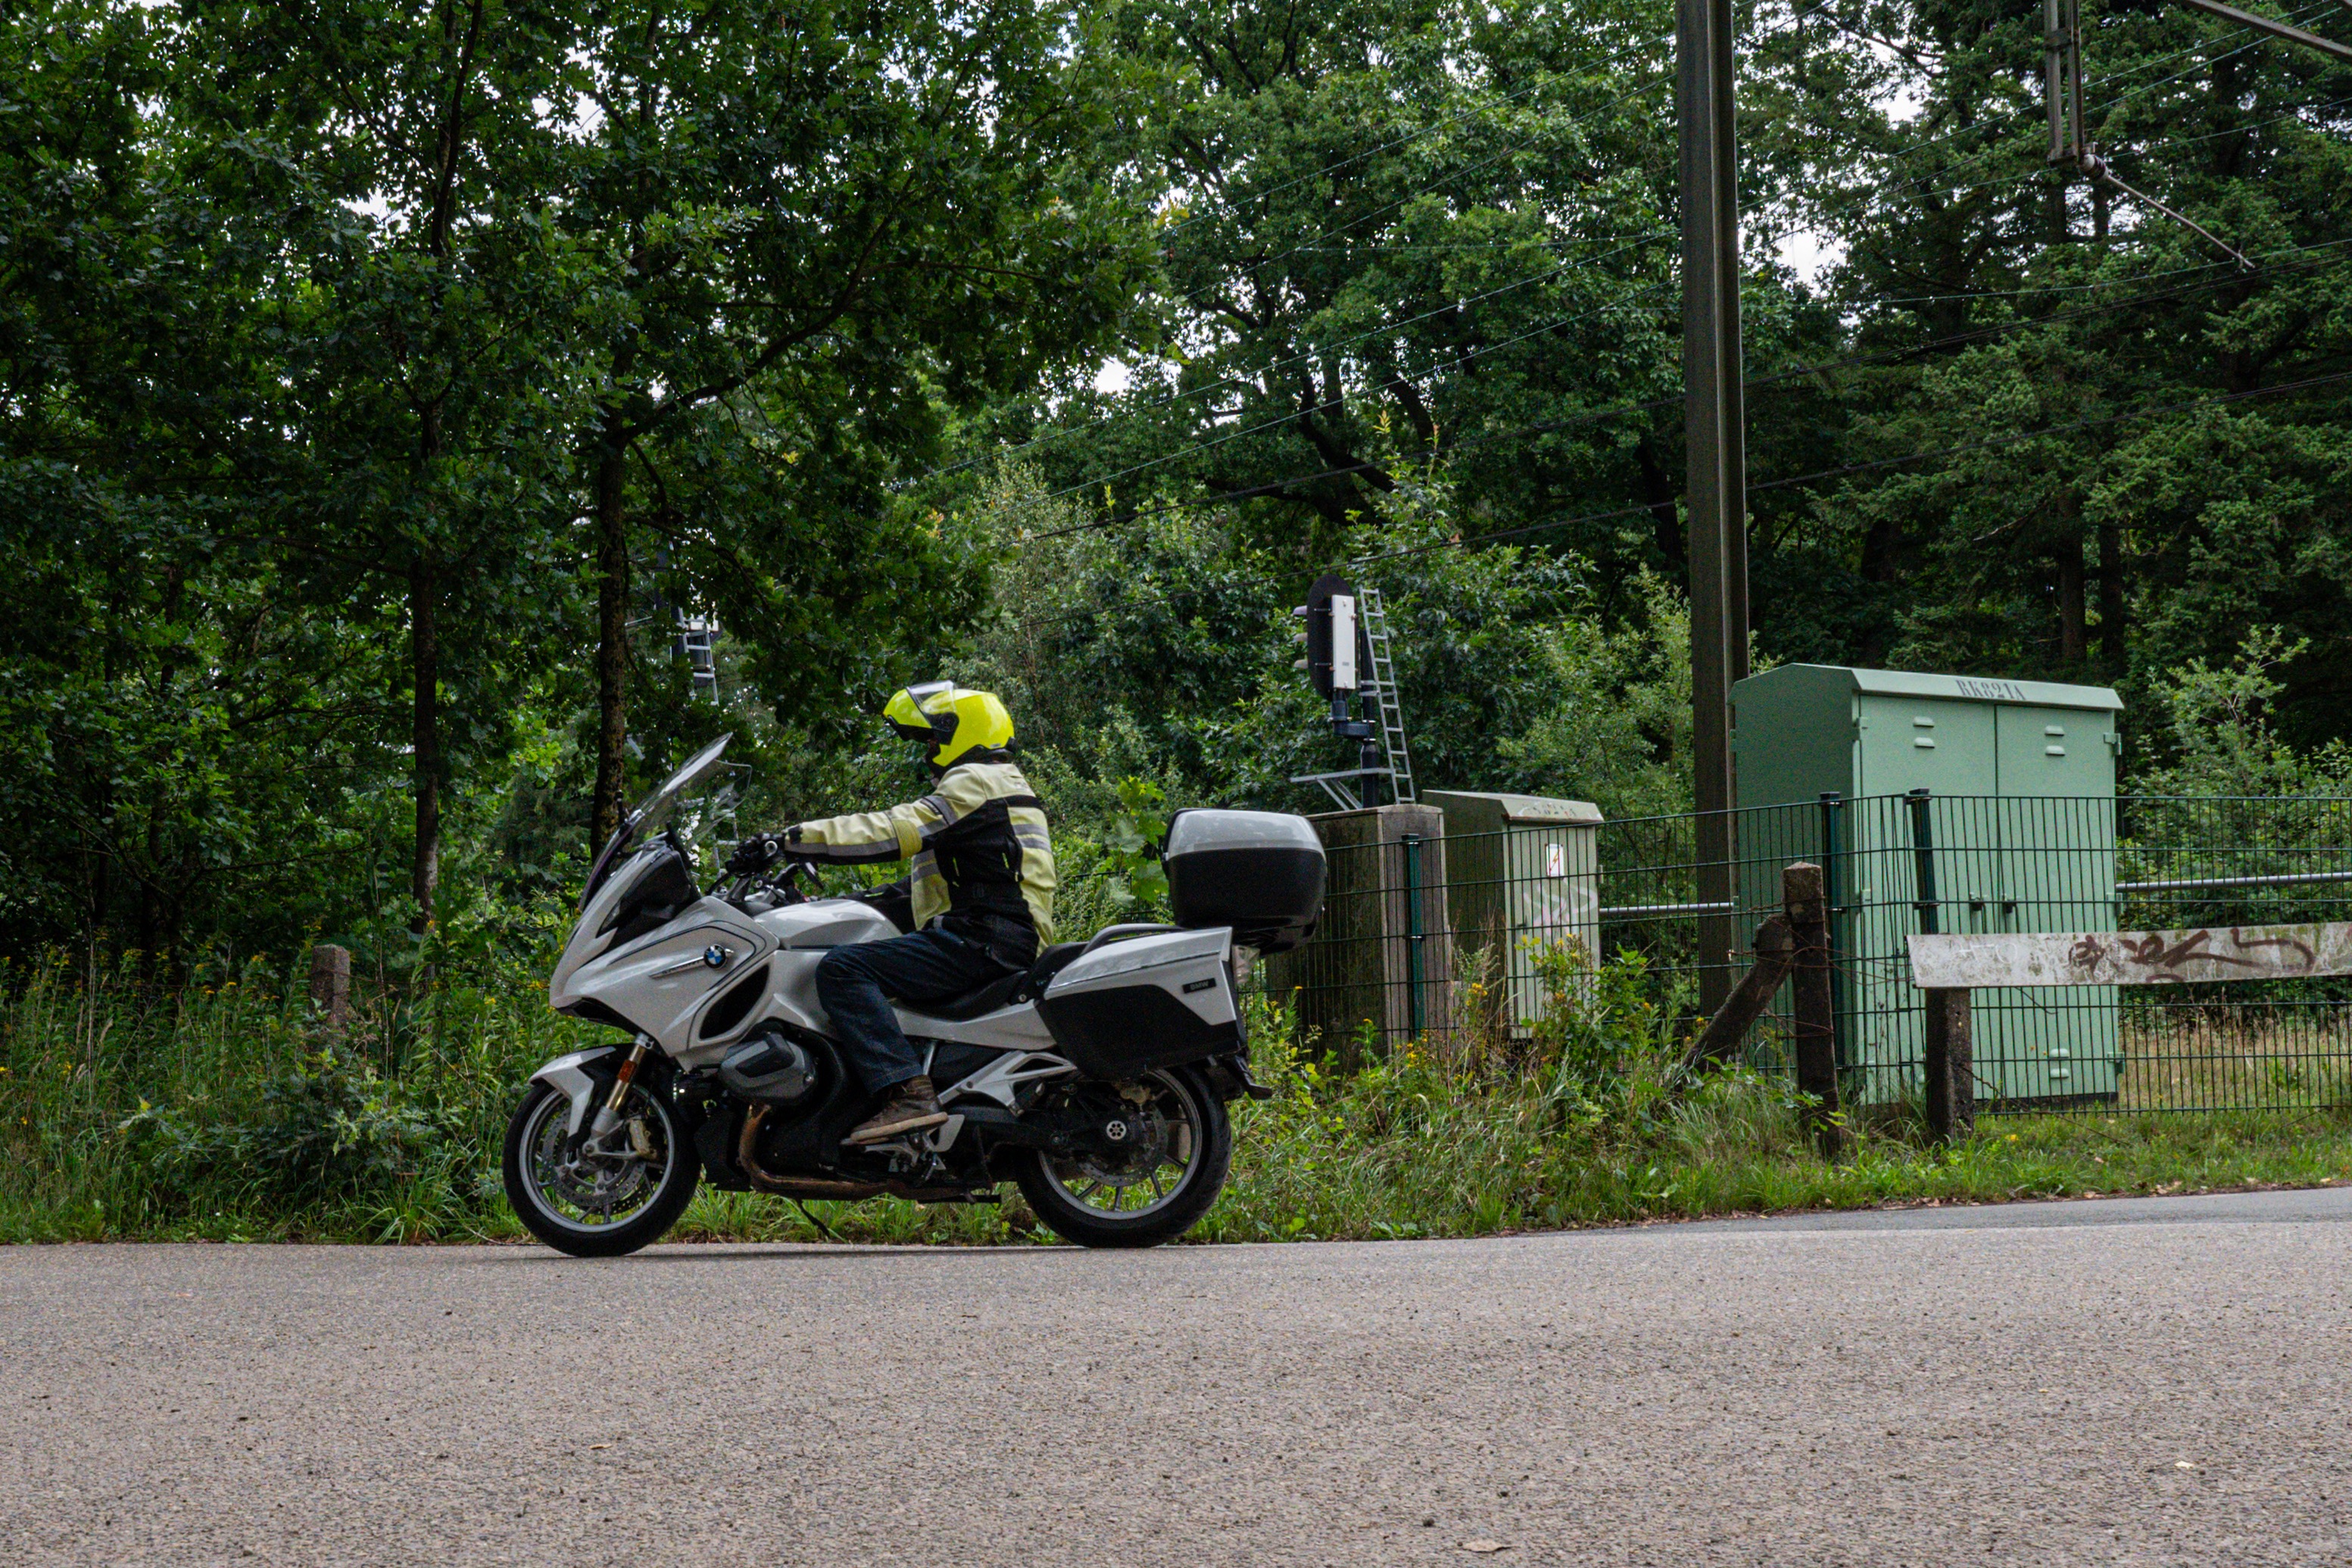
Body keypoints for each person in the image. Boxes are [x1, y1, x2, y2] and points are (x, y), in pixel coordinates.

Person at [726, 682, 1056, 1145]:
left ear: (964, 731)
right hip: (996, 933)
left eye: (935, 737)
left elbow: (891, 830)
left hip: (985, 938)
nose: (929, 749)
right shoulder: (1003, 786)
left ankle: (908, 1094)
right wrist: (831, 906)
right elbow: (919, 892)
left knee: (842, 970)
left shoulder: (975, 781)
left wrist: (789, 840)